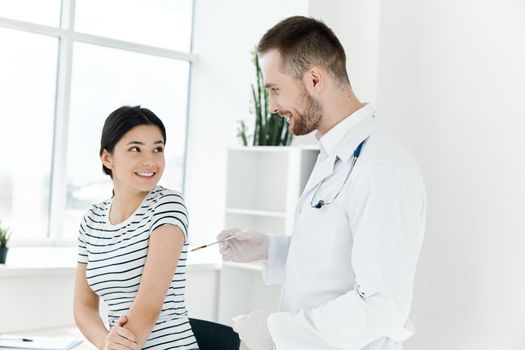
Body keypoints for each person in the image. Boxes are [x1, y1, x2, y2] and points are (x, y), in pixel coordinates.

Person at [217, 16, 426, 350]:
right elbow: (335, 260)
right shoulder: (333, 152)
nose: (271, 106)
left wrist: (276, 332)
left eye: (275, 90)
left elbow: (383, 305)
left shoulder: (381, 168)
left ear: (314, 79)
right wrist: (271, 249)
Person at [74, 106, 199, 350]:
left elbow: (150, 302)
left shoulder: (168, 205)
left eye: (158, 149)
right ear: (107, 157)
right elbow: (83, 307)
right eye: (135, 149)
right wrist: (105, 342)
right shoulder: (92, 219)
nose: (150, 160)